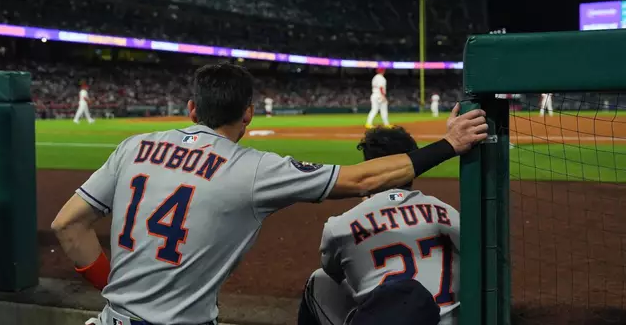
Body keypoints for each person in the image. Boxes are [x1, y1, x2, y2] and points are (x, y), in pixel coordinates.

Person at [51, 63, 486, 325]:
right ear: (249, 115)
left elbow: (67, 225)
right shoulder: (254, 168)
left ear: (191, 109)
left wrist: (118, 290)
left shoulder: (134, 147)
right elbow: (361, 180)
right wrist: (449, 145)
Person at [298, 126, 460, 325]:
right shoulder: (447, 212)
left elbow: (333, 272)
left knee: (320, 280)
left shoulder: (340, 226)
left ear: (370, 165)